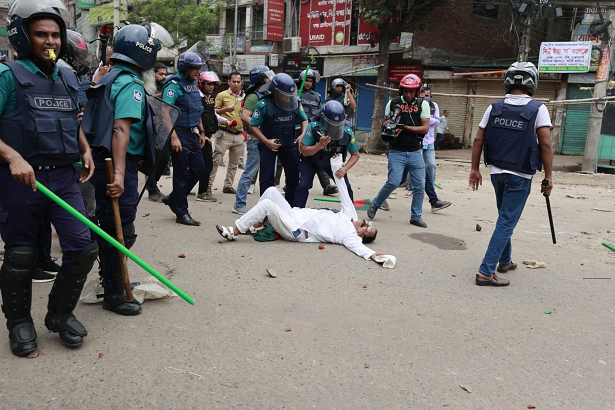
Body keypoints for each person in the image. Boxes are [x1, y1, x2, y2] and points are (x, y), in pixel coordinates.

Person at [0, 0, 98, 356]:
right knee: (21, 255)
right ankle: (20, 323)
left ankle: (59, 315)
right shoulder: (8, 77)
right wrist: (12, 157)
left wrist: (84, 148)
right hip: (20, 182)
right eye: (41, 34)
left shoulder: (68, 75)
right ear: (23, 36)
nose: (50, 41)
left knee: (83, 248)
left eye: (55, 34)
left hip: (63, 178)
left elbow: (73, 119)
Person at [85, 23, 161, 315]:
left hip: (104, 161)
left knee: (109, 223)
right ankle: (115, 292)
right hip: (118, 163)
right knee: (120, 228)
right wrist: (118, 173)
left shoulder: (108, 78)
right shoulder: (130, 83)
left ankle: (111, 282)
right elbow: (120, 129)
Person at [469, 61, 553, 287]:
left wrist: (475, 169)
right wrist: (549, 176)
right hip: (520, 176)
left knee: (504, 218)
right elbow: (545, 144)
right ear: (532, 81)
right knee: (506, 221)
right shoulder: (538, 108)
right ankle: (486, 272)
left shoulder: (493, 107)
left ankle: (504, 261)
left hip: (497, 173)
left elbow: (478, 139)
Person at [216, 155, 388, 264]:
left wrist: (372, 255)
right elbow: (344, 191)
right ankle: (258, 223)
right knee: (271, 191)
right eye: (367, 221)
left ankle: (236, 230)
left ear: (361, 234)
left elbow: (359, 249)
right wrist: (336, 164)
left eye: (367, 226)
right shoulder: (351, 216)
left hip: (296, 230)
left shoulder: (350, 236)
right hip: (293, 214)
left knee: (268, 205)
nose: (365, 221)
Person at [367, 74, 430, 227]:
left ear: (417, 91)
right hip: (396, 151)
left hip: (416, 151)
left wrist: (405, 128)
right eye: (406, 91)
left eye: (412, 91)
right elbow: (385, 123)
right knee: (393, 181)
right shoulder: (393, 103)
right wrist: (390, 125)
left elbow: (425, 128)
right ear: (402, 90)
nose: (409, 94)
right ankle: (375, 204)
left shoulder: (423, 104)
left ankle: (416, 216)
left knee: (420, 186)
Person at [161, 51, 207, 226]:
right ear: (185, 68)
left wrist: (201, 132)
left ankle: (174, 198)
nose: (197, 72)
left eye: (199, 68)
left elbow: (196, 109)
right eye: (194, 68)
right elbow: (165, 111)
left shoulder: (193, 84)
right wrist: (173, 137)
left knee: (199, 168)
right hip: (179, 133)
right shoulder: (173, 85)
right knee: (180, 174)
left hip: (192, 133)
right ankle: (181, 212)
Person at [250, 72, 308, 207]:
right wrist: (266, 141)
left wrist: (303, 134)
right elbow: (253, 125)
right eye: (284, 95)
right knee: (266, 181)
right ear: (275, 92)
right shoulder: (264, 104)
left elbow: (304, 119)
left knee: (294, 176)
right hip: (269, 145)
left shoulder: (295, 102)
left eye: (290, 95)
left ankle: (290, 208)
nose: (288, 98)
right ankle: (266, 212)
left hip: (288, 144)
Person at [295, 100, 360, 208]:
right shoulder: (314, 127)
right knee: (302, 185)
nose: (335, 127)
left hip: (332, 163)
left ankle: (350, 216)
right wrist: (319, 146)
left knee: (346, 186)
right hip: (311, 160)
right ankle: (297, 212)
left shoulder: (347, 132)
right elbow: (304, 152)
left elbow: (356, 154)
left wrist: (344, 169)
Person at [230, 64, 273, 214]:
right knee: (250, 172)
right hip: (256, 139)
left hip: (268, 139)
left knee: (269, 174)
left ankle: (267, 205)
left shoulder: (267, 94)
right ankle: (239, 203)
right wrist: (259, 127)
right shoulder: (254, 96)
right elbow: (245, 116)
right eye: (267, 76)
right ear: (260, 80)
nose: (270, 79)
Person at [196, 71, 236, 203]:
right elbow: (194, 116)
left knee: (202, 164)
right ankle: (202, 192)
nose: (212, 87)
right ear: (201, 84)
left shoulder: (210, 98)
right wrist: (199, 133)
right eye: (209, 84)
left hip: (206, 135)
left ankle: (191, 189)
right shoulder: (197, 97)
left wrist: (226, 121)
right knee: (206, 164)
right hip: (197, 135)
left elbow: (212, 114)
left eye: (213, 84)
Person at [297, 69, 337, 196]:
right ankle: (291, 183)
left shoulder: (317, 96)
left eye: (310, 81)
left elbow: (321, 112)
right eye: (306, 81)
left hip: (314, 131)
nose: (308, 83)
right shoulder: (296, 95)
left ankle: (326, 185)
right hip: (298, 130)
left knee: (318, 156)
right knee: (296, 158)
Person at [416, 87, 451, 213]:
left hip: (428, 141)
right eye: (423, 95)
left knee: (429, 167)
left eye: (428, 95)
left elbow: (435, 121)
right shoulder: (415, 104)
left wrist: (425, 120)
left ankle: (433, 198)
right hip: (414, 143)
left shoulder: (433, 105)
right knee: (397, 178)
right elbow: (416, 121)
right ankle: (380, 201)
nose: (426, 97)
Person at [209, 71, 245, 195]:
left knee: (234, 164)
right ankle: (208, 186)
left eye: (238, 82)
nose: (236, 84)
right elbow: (212, 112)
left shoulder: (244, 97)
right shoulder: (221, 95)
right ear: (228, 82)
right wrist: (226, 109)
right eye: (233, 81)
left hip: (239, 135)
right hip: (224, 133)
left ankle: (228, 186)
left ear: (241, 83)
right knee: (216, 161)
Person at [146, 62, 171, 202]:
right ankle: (152, 189)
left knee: (164, 158)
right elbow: (150, 99)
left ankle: (153, 186)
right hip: (151, 128)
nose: (163, 77)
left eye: (165, 74)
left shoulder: (166, 86)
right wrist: (164, 93)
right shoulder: (149, 86)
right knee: (153, 159)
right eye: (160, 74)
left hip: (163, 127)